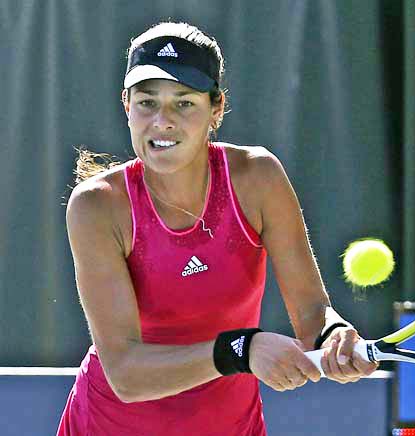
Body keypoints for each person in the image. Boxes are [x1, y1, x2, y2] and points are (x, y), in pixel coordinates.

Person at [57, 21, 377, 436]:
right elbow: (125, 373)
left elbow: (313, 313)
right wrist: (240, 351)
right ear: (126, 105)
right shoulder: (97, 205)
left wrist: (334, 337)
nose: (163, 121)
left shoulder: (257, 177)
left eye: (184, 103)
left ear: (217, 108)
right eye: (147, 102)